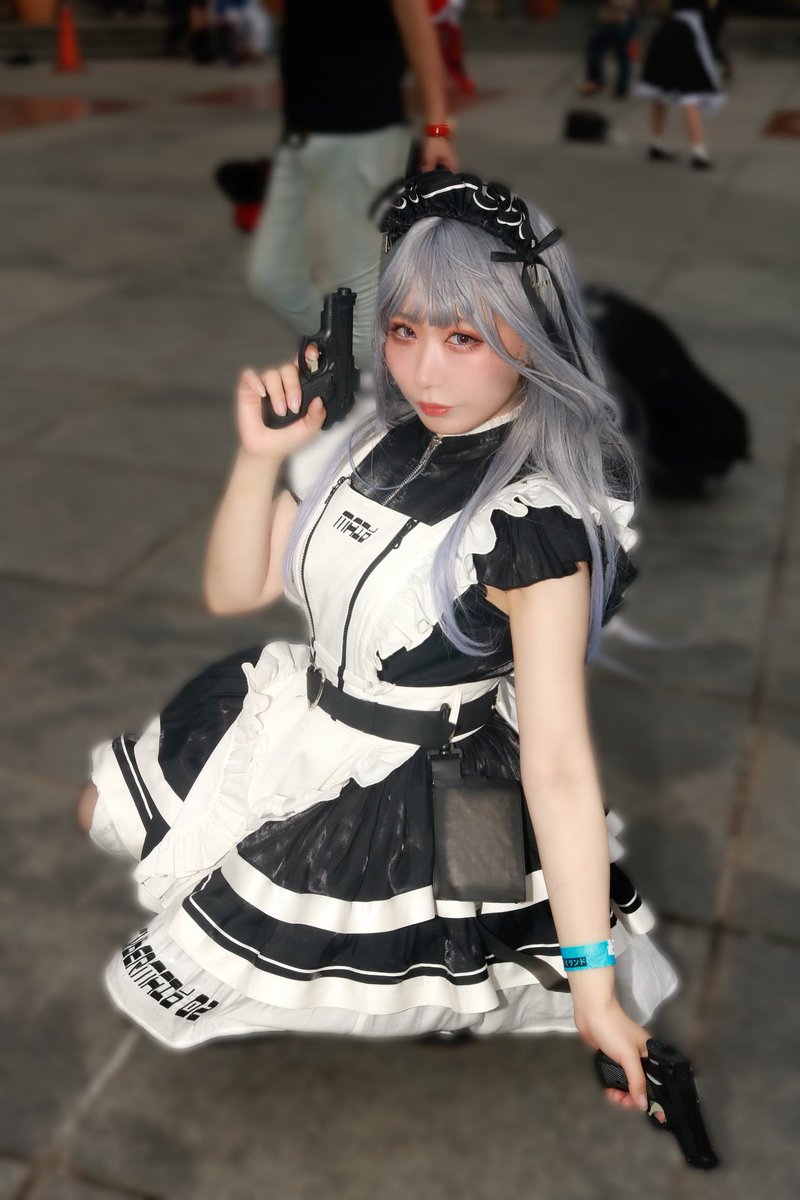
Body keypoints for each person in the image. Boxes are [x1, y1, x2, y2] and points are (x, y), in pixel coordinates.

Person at [78, 170, 678, 1117]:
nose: (424, 372)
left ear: (533, 335)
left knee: (439, 959)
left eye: (463, 337)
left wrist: (596, 993)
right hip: (299, 713)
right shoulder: (374, 441)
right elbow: (235, 589)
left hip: (430, 779)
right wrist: (260, 457)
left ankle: (430, 988)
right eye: (404, 331)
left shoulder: (536, 527)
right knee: (107, 813)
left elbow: (560, 764)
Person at [246, 0, 457, 371]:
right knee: (272, 277)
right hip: (301, 136)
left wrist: (437, 128)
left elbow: (418, 30)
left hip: (363, 136)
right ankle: (374, 365)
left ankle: (386, 385)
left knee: (358, 303)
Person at [637, 0, 725, 170]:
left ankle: (657, 142)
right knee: (690, 93)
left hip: (667, 31)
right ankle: (699, 152)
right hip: (688, 35)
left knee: (660, 90)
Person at [581, 1, 639, 100]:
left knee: (620, 56)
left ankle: (600, 83)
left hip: (620, 16)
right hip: (616, 16)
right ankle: (613, 86)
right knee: (599, 51)